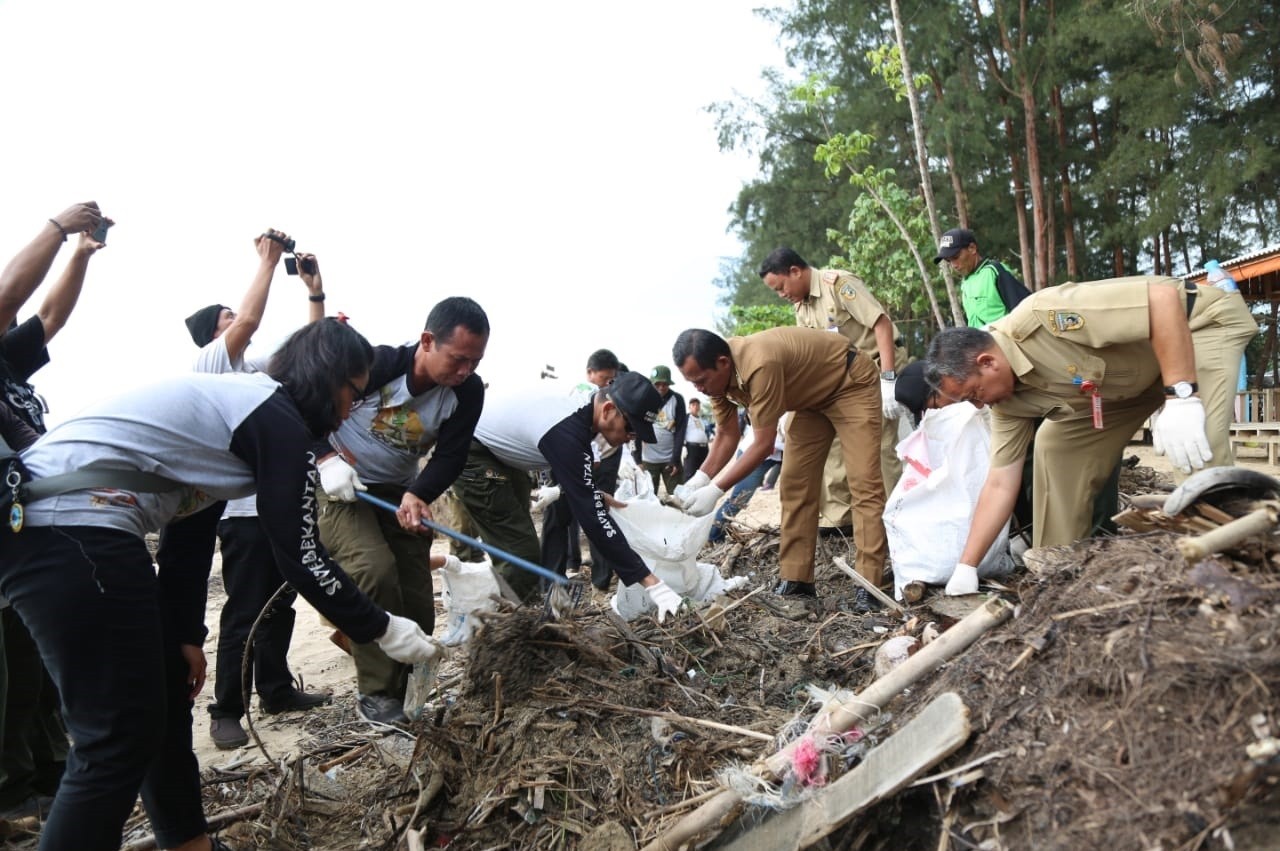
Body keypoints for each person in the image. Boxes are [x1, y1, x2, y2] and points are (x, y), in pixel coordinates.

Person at [0, 318, 438, 851]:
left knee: (159, 705)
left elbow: (189, 527)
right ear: (329, 379)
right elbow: (300, 554)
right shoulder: (273, 416)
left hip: (58, 527)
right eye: (353, 392)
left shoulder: (237, 410)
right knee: (116, 737)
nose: (350, 411)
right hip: (70, 527)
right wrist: (382, 627)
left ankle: (188, 844)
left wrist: (182, 633)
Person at [925, 275, 1257, 595]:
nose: (980, 405)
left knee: (1195, 447)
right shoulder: (1006, 403)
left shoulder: (1043, 317)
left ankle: (1224, 565)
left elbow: (1162, 300)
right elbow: (999, 482)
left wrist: (1182, 396)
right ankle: (1058, 570)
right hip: (1131, 379)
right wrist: (967, 566)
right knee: (1055, 445)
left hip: (1199, 326)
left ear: (987, 363)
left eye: (973, 394)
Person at [166, 231, 331, 752]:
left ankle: (277, 690)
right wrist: (266, 261)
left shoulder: (257, 373)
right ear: (213, 337)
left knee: (280, 605)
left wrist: (315, 294)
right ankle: (226, 709)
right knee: (244, 608)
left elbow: (313, 358)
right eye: (226, 322)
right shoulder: (211, 367)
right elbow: (251, 320)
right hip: (241, 513)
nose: (237, 324)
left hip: (282, 506)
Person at [316, 296, 488, 725]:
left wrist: (420, 493)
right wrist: (324, 458)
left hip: (397, 490)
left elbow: (451, 456)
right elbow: (304, 402)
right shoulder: (375, 365)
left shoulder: (466, 393)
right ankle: (376, 694)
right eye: (458, 359)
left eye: (475, 361)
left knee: (415, 594)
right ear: (427, 341)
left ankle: (409, 690)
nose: (465, 371)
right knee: (374, 571)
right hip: (340, 486)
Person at [0, 202, 107, 821]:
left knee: (36, 668)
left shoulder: (8, 364)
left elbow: (49, 315)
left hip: (27, 527)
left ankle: (49, 780)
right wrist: (55, 228)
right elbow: (14, 293)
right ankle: (11, 800)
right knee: (5, 681)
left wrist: (80, 254)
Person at [672, 327, 887, 611]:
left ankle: (869, 585)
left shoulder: (760, 364)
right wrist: (699, 480)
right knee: (795, 484)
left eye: (700, 380)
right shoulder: (716, 378)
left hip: (849, 383)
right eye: (692, 382)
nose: (698, 388)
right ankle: (797, 579)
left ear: (722, 362)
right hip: (810, 400)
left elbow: (762, 445)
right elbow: (726, 434)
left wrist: (716, 490)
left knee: (863, 483)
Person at [450, 372, 681, 616]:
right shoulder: (567, 427)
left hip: (502, 457)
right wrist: (650, 581)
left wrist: (591, 493)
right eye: (631, 429)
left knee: (518, 546)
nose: (628, 439)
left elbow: (581, 482)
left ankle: (515, 610)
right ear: (609, 410)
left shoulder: (586, 409)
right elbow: (592, 518)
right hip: (473, 454)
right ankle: (500, 627)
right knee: (521, 554)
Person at [759, 247, 907, 526]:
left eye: (781, 287)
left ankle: (896, 516)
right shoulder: (801, 308)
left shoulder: (837, 284)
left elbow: (881, 324)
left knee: (878, 445)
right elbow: (812, 357)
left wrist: (888, 380)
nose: (782, 295)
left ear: (795, 271)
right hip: (841, 382)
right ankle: (841, 520)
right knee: (831, 444)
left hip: (876, 368)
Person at [537, 348, 621, 588]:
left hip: (604, 459)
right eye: (604, 378)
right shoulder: (580, 393)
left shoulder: (614, 396)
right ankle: (552, 581)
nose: (608, 383)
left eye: (612, 379)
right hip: (569, 459)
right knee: (557, 517)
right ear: (589, 373)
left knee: (599, 514)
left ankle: (601, 580)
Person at [707, 412, 785, 544]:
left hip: (778, 454)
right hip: (755, 453)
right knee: (740, 498)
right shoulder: (780, 405)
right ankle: (713, 536)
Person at [933, 228, 1031, 328]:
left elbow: (1026, 311)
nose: (953, 265)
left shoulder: (994, 272)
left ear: (972, 248)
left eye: (955, 257)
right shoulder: (965, 282)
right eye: (948, 261)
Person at [636, 365, 686, 496]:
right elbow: (636, 428)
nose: (661, 387)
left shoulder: (677, 400)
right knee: (648, 498)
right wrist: (638, 460)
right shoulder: (643, 400)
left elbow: (680, 431)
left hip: (670, 459)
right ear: (652, 384)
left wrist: (675, 459)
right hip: (648, 459)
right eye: (657, 384)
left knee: (677, 497)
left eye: (665, 384)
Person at [683, 397, 710, 481]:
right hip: (691, 448)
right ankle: (688, 493)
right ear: (689, 407)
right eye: (693, 405)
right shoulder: (686, 418)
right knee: (690, 472)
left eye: (697, 405)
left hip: (703, 448)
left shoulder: (701, 419)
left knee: (702, 472)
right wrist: (683, 446)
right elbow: (680, 432)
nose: (696, 406)